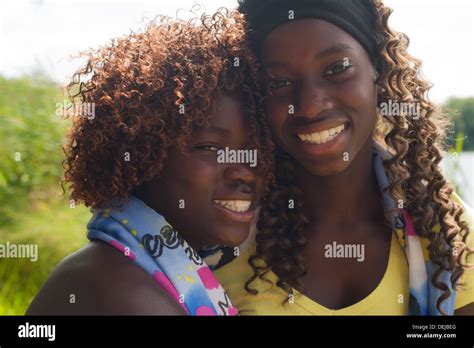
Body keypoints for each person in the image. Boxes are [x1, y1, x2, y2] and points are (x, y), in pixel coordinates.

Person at [215, 0, 474, 315]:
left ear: (378, 70)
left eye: (337, 69)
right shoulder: (220, 241)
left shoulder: (446, 234)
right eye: (280, 83)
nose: (310, 106)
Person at [25, 9, 273, 316]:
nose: (245, 171)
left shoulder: (139, 268)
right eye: (209, 147)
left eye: (256, 149)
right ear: (143, 155)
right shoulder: (122, 293)